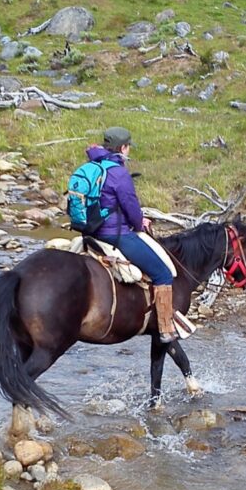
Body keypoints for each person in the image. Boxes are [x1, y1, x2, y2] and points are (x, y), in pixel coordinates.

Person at [86, 126, 178, 343]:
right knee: (162, 273)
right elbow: (131, 209)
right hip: (114, 235)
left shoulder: (92, 166)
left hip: (89, 232)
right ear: (123, 147)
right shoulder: (118, 173)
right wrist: (140, 223)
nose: (129, 152)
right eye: (128, 148)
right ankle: (165, 329)